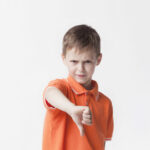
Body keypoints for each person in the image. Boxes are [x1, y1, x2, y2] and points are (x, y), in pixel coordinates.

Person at [42, 24, 114, 150]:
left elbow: (102, 144)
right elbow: (50, 93)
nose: (80, 69)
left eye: (87, 62)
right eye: (74, 61)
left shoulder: (106, 103)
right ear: (64, 59)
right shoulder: (62, 89)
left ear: (98, 59)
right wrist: (71, 108)